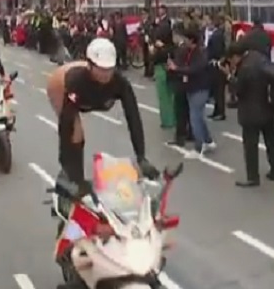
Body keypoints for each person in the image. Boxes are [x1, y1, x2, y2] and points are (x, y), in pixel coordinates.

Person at [45, 38, 158, 195]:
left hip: (85, 87)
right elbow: (65, 123)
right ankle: (71, 178)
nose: (105, 74)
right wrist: (67, 167)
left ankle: (74, 179)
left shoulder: (120, 83)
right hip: (60, 81)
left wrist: (141, 157)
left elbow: (133, 117)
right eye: (101, 69)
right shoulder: (76, 82)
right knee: (76, 132)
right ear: (90, 66)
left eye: (109, 69)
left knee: (76, 132)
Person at [226, 42, 274, 187]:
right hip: (268, 107)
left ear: (235, 56)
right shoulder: (259, 57)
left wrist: (230, 77)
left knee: (250, 145)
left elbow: (239, 90)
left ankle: (252, 177)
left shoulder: (245, 68)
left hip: (250, 111)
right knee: (271, 141)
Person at [167, 26, 216, 157]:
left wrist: (177, 69)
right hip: (191, 87)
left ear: (191, 40)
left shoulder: (200, 53)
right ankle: (208, 141)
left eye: (186, 39)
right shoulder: (189, 51)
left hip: (199, 88)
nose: (184, 41)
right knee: (199, 117)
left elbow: (194, 69)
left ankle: (198, 148)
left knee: (194, 117)